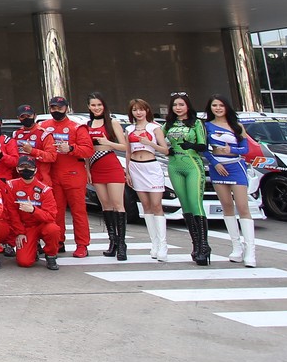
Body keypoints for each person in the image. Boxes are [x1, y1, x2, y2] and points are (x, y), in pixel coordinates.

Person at [204, 95, 257, 268]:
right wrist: (215, 163)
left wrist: (231, 149)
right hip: (218, 168)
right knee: (226, 206)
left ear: (226, 107)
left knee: (242, 207)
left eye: (221, 105)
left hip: (236, 166)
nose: (218, 108)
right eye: (214, 105)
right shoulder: (206, 126)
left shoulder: (237, 126)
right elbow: (204, 149)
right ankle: (236, 247)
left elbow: (246, 149)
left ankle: (250, 251)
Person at [40, 96, 94, 257]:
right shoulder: (44, 126)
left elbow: (88, 150)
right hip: (53, 174)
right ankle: (57, 241)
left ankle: (82, 244)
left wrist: (71, 148)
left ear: (66, 108)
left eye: (60, 107)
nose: (56, 110)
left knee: (78, 211)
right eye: (53, 108)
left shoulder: (77, 127)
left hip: (73, 174)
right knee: (55, 211)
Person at [162, 92, 211, 266]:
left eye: (181, 104)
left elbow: (203, 145)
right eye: (175, 105)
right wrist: (165, 149)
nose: (178, 108)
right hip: (174, 166)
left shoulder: (196, 123)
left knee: (195, 202)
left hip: (193, 165)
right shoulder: (168, 124)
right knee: (185, 205)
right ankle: (196, 245)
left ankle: (204, 246)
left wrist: (192, 145)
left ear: (188, 106)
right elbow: (158, 139)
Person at [84, 93, 131, 260]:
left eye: (99, 105)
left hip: (111, 164)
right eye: (93, 105)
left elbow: (125, 146)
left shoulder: (112, 123)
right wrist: (87, 170)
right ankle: (113, 241)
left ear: (104, 106)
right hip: (95, 166)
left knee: (118, 204)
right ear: (89, 107)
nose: (96, 108)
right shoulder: (87, 125)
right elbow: (86, 150)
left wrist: (108, 143)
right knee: (105, 205)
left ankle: (122, 244)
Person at [125, 98, 171, 261]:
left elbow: (165, 150)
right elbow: (128, 151)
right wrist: (128, 172)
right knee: (145, 206)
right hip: (135, 167)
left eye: (141, 109)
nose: (138, 112)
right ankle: (154, 243)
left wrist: (149, 142)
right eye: (135, 110)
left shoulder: (155, 127)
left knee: (156, 205)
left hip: (151, 166)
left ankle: (163, 245)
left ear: (147, 110)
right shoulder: (129, 129)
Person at [4, 155, 61, 270]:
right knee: (24, 262)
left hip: (42, 224)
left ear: (35, 170)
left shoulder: (45, 190)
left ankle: (51, 255)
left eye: (29, 167)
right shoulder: (11, 186)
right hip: (26, 227)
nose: (26, 169)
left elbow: (51, 216)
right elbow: (11, 212)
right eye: (22, 166)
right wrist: (19, 232)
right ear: (17, 169)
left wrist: (34, 210)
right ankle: (34, 248)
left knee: (53, 229)